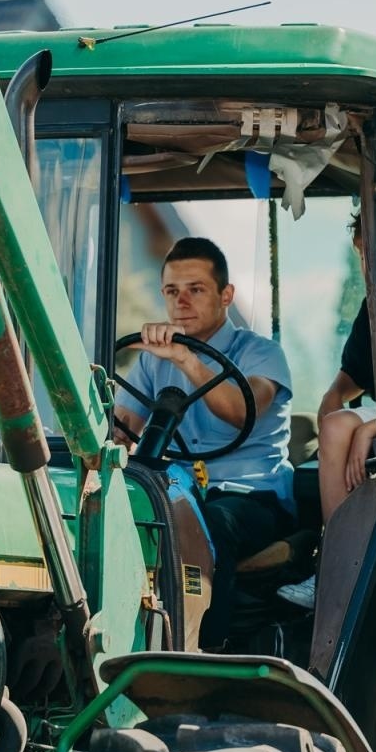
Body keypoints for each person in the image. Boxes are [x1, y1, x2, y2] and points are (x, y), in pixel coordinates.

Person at [113, 237, 295, 650]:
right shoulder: (150, 360)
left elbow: (239, 410)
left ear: (226, 295)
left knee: (212, 524)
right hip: (174, 493)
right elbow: (122, 429)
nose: (182, 301)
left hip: (252, 497)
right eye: (172, 292)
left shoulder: (262, 354)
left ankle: (207, 649)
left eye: (196, 289)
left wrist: (186, 360)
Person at [279, 213, 376, 611]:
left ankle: (339, 574)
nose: (367, 262)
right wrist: (331, 400)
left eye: (373, 251)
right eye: (361, 253)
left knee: (342, 429)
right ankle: (335, 569)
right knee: (335, 423)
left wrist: (372, 428)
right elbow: (347, 381)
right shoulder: (374, 310)